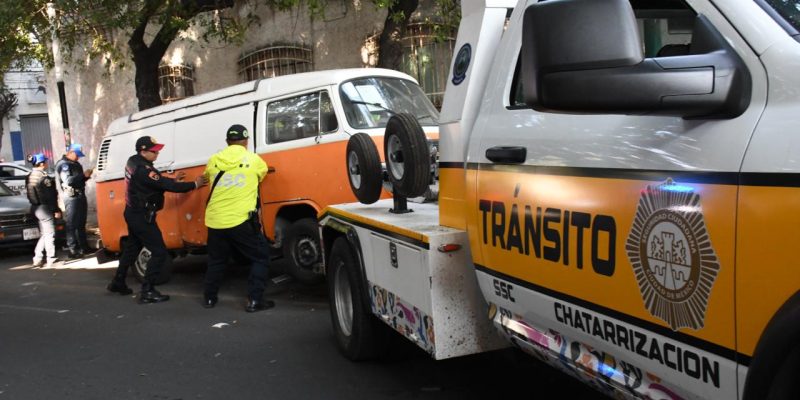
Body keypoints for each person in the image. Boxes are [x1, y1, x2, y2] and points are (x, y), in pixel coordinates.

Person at [107, 136, 207, 302]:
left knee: (132, 248)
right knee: (159, 252)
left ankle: (118, 281)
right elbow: (165, 185)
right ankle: (147, 291)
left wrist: (173, 179)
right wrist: (194, 184)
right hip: (141, 215)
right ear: (143, 151)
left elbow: (156, 182)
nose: (157, 153)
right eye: (154, 151)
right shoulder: (143, 169)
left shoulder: (133, 161)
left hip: (133, 212)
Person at [202, 124, 274, 312]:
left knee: (217, 260)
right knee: (260, 257)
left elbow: (207, 176)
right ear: (246, 141)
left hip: (215, 220)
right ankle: (255, 300)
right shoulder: (253, 159)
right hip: (240, 220)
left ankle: (209, 298)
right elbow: (262, 174)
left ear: (227, 142)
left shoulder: (213, 160)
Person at [55, 143, 93, 258]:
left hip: (80, 195)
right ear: (70, 152)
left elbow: (79, 181)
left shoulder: (76, 164)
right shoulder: (64, 165)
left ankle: (84, 247)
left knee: (81, 223)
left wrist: (86, 176)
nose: (78, 157)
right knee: (72, 223)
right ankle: (72, 249)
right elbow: (68, 181)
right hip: (71, 197)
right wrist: (83, 175)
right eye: (77, 155)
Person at [26, 153, 60, 268]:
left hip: (35, 208)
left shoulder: (29, 176)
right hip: (44, 208)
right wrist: (56, 209)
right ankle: (51, 258)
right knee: (50, 233)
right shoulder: (44, 178)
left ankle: (37, 258)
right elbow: (51, 196)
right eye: (45, 161)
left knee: (45, 234)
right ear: (41, 163)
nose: (46, 163)